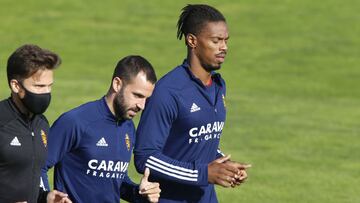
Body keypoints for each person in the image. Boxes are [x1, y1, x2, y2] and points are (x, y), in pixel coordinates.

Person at [134, 4, 251, 202]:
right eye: (216, 41)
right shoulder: (168, 91)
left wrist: (224, 166)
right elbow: (145, 156)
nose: (224, 47)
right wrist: (203, 173)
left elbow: (197, 141)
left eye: (225, 41)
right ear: (192, 41)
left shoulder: (218, 86)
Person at [41, 55, 161, 203]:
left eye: (146, 99)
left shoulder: (128, 127)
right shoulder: (75, 122)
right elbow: (37, 168)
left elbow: (116, 180)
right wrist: (45, 198)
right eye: (137, 95)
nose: (141, 106)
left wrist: (139, 193)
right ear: (117, 84)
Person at [0, 44, 71, 203]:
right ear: (16, 86)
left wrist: (45, 197)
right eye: (39, 86)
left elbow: (25, 181)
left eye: (49, 86)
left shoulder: (41, 124)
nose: (46, 93)